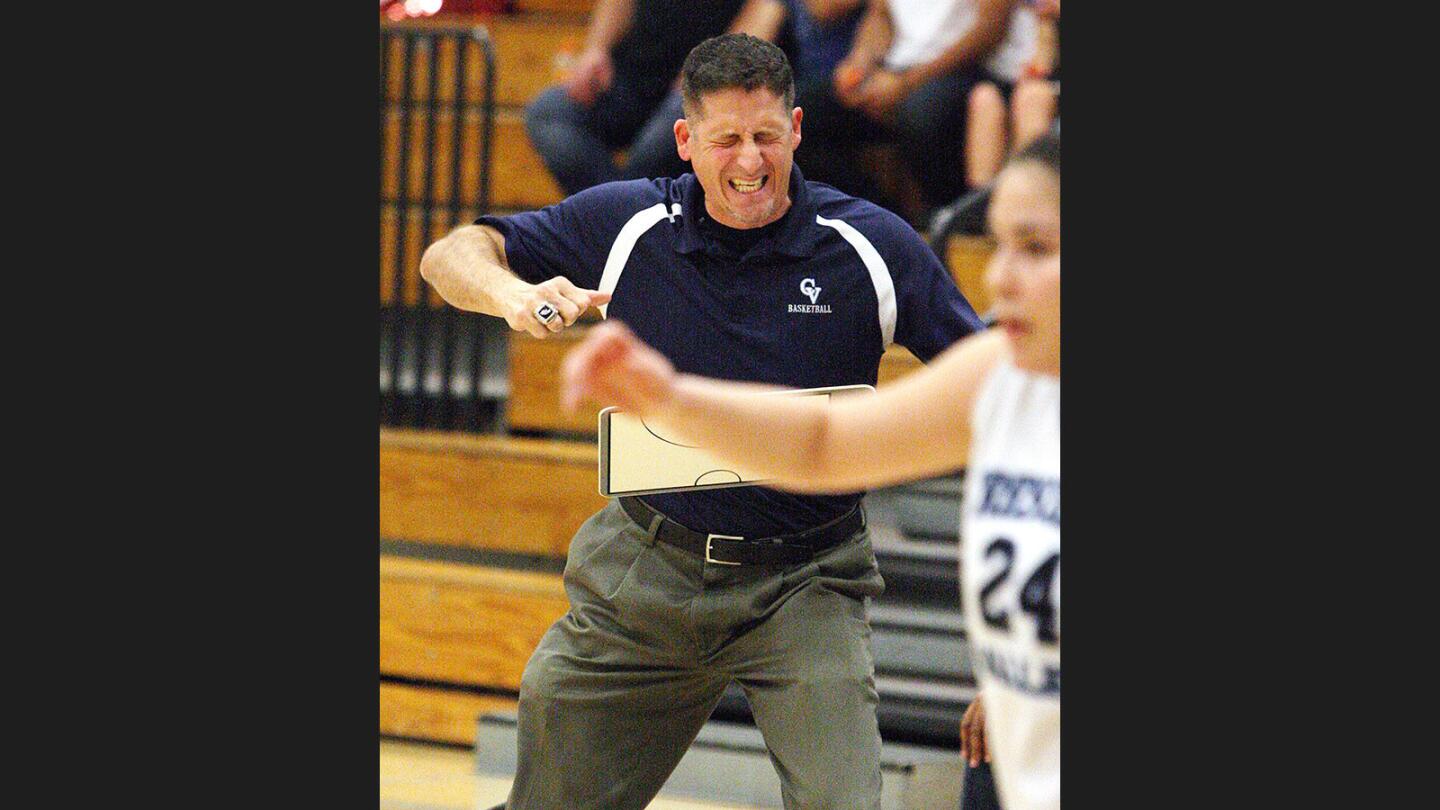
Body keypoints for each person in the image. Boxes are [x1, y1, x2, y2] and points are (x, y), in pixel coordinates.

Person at [420, 33, 985, 809]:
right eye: (727, 140)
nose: (750, 162)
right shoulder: (630, 222)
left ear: (796, 130)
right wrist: (508, 294)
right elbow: (451, 253)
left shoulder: (873, 246)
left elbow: (1003, 383)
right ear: (686, 141)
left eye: (766, 138)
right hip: (652, 565)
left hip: (806, 578)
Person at [562, 133, 1061, 810]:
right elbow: (824, 443)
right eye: (998, 243)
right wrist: (672, 400)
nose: (999, 277)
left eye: (1035, 249)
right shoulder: (1001, 377)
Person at [795, 0, 1036, 216]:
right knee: (800, 116)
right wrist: (860, 64)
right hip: (892, 69)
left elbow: (989, 32)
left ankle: (949, 217)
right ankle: (875, 211)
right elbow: (879, 15)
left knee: (920, 115)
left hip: (960, 70)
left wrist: (907, 83)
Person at [524, 0, 747, 196]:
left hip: (707, 86)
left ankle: (615, 217)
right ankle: (620, 215)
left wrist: (714, 69)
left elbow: (765, 9)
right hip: (632, 79)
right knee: (550, 113)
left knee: (668, 135)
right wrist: (596, 49)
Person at [964, 0, 1058, 189]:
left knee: (1033, 98)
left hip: (1046, 80)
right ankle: (984, 203)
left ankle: (1027, 192)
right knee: (984, 99)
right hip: (1004, 76)